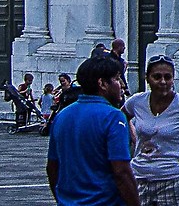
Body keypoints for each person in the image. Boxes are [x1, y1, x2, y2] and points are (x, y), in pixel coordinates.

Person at [48, 55, 137, 206]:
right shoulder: (114, 117)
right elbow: (121, 172)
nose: (122, 85)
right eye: (117, 79)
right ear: (102, 83)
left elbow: (52, 167)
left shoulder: (62, 116)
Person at [128, 57, 179, 206]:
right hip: (140, 177)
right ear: (147, 78)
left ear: (173, 78)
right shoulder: (136, 101)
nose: (163, 82)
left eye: (168, 77)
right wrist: (133, 137)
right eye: (157, 77)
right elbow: (118, 119)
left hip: (173, 179)